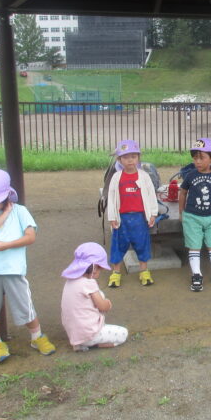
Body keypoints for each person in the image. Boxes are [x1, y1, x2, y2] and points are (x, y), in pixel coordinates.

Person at [0, 168, 56, 364]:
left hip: (12, 270)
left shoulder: (21, 212)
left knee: (24, 305)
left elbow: (30, 237)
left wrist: (7, 245)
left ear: (6, 196)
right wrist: (5, 213)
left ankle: (37, 337)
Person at [105, 139, 158, 288]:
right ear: (119, 159)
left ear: (138, 158)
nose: (130, 160)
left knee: (142, 244)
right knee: (118, 245)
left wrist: (153, 213)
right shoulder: (116, 177)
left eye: (133, 156)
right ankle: (116, 272)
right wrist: (112, 217)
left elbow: (151, 196)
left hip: (140, 218)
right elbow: (111, 197)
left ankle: (144, 271)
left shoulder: (144, 176)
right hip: (122, 219)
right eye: (126, 157)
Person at [179, 138, 211, 291]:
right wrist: (182, 212)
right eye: (195, 158)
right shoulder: (190, 175)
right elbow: (183, 193)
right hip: (192, 217)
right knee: (194, 247)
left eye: (202, 157)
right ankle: (196, 274)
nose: (197, 161)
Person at [60, 242, 128, 352]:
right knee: (123, 334)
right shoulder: (89, 283)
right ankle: (91, 345)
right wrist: (108, 303)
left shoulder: (70, 280)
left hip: (74, 333)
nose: (100, 271)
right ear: (94, 267)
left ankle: (82, 343)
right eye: (100, 268)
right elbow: (103, 307)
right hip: (88, 334)